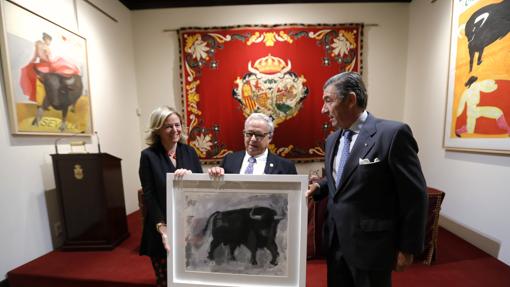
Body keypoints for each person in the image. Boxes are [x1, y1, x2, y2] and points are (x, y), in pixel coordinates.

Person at [306, 72, 428, 287]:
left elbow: (415, 195)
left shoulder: (392, 134)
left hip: (371, 248)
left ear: (351, 100)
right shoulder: (333, 139)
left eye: (328, 100)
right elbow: (341, 180)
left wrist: (408, 248)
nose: (323, 109)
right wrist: (319, 186)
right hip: (335, 242)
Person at [139, 106, 202, 287]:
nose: (175, 130)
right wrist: (162, 228)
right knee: (166, 280)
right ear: (157, 129)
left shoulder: (190, 152)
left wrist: (192, 178)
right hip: (161, 226)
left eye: (177, 125)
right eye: (168, 126)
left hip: (189, 226)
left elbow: (200, 189)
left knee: (190, 278)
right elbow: (149, 196)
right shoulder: (148, 156)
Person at [208, 112, 297, 176]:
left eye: (258, 135)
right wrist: (215, 174)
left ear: (270, 138)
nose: (253, 139)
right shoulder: (229, 160)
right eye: (249, 134)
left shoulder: (285, 166)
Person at [20, 32, 81, 103]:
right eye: (49, 41)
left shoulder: (41, 46)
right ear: (46, 39)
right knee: (60, 72)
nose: (50, 43)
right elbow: (44, 58)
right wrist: (54, 61)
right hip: (45, 67)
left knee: (59, 71)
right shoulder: (44, 47)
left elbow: (36, 57)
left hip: (43, 65)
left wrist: (30, 64)